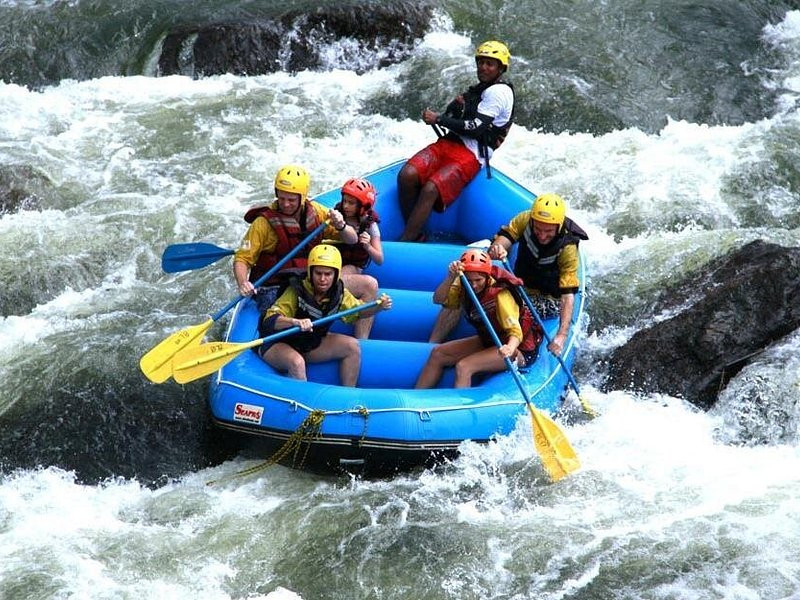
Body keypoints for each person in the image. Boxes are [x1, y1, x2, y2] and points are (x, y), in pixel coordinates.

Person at [398, 40, 514, 242]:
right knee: (407, 175)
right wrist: (455, 107)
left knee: (431, 188)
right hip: (450, 142)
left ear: (500, 68)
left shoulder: (499, 92)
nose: (483, 67)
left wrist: (439, 119)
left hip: (473, 153)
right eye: (481, 62)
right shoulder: (479, 89)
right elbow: (454, 115)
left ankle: (405, 241)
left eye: (490, 64)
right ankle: (415, 235)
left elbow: (476, 127)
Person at [259, 244, 393, 387]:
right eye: (318, 273)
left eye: (328, 274)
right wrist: (294, 322)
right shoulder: (296, 290)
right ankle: (302, 400)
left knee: (352, 346)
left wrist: (378, 307)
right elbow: (270, 320)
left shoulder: (339, 293)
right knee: (297, 363)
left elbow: (359, 312)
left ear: (336, 274)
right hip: (277, 343)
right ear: (311, 272)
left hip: (308, 343)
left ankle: (347, 394)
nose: (323, 279)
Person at [233, 164, 357, 313]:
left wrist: (341, 225)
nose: (285, 204)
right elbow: (242, 259)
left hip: (308, 281)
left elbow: (352, 239)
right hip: (273, 287)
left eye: (291, 200)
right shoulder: (262, 224)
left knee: (365, 283)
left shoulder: (317, 212)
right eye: (281, 198)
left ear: (302, 198)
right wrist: (243, 283)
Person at [415, 249, 541, 389]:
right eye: (469, 280)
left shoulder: (501, 294)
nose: (474, 285)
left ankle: (460, 404)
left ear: (487, 277)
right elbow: (438, 299)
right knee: (438, 354)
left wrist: (509, 348)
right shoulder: (462, 283)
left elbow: (516, 332)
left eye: (478, 280)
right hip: (491, 339)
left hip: (518, 349)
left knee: (464, 366)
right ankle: (417, 397)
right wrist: (450, 278)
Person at [488, 193, 588, 356]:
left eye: (548, 231)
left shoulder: (568, 246)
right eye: (538, 229)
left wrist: (561, 336)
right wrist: (497, 248)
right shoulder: (525, 219)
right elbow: (503, 240)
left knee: (507, 308)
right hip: (522, 286)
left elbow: (567, 295)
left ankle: (519, 350)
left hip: (550, 298)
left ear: (558, 226)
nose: (542, 235)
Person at [327, 177, 384, 339]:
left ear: (363, 206)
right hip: (329, 265)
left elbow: (379, 259)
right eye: (345, 201)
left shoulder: (370, 225)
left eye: (351, 203)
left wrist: (367, 246)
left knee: (353, 274)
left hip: (352, 267)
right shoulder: (336, 216)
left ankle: (362, 339)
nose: (346, 206)